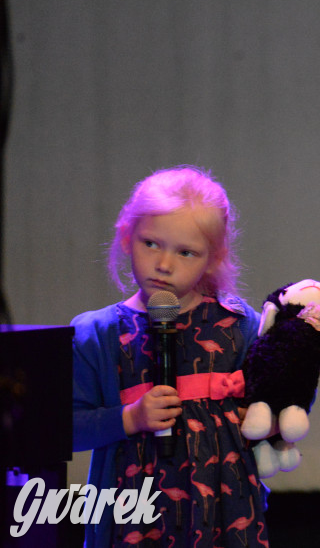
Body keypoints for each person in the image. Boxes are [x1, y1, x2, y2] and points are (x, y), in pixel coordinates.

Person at [71, 166, 268, 547]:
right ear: (126, 237)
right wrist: (129, 418)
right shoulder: (97, 334)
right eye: (151, 244)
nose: (164, 264)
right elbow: (66, 428)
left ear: (213, 258)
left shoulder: (238, 326)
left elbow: (281, 393)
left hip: (222, 514)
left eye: (186, 252)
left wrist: (264, 420)